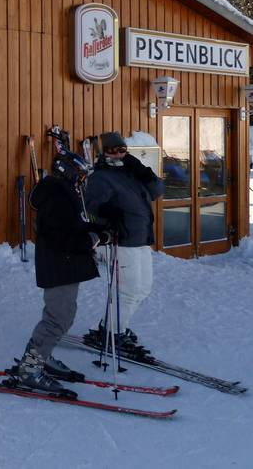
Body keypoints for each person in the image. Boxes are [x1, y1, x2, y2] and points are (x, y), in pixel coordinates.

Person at [9, 152, 110, 394]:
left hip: (63, 265)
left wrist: (100, 228)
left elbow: (72, 224)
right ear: (69, 172)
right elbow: (59, 237)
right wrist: (91, 239)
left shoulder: (62, 192)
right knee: (57, 319)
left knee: (63, 316)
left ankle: (40, 357)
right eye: (81, 174)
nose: (82, 179)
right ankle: (30, 369)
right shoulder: (57, 196)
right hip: (59, 265)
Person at [83, 131, 164, 357]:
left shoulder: (131, 171)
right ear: (104, 153)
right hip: (122, 240)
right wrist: (107, 212)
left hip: (142, 237)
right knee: (128, 291)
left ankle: (110, 327)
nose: (119, 154)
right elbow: (90, 205)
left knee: (144, 289)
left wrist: (143, 170)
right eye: (114, 150)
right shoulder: (100, 176)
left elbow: (158, 191)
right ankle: (113, 332)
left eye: (123, 149)